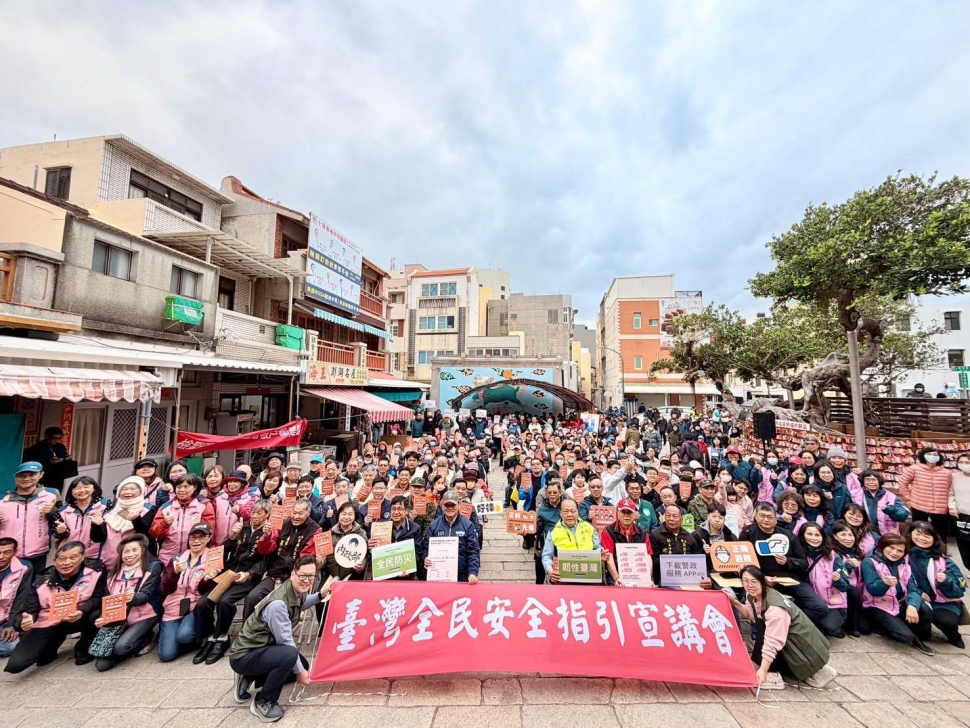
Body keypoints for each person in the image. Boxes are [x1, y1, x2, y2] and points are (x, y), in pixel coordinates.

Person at [228, 555, 331, 723]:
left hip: (261, 648)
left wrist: (320, 595)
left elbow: (302, 603)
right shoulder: (278, 605)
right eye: (303, 575)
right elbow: (286, 641)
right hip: (244, 655)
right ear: (293, 574)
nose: (307, 580)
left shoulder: (293, 590)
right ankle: (263, 701)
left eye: (311, 576)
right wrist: (300, 673)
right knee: (289, 656)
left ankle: (250, 675)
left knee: (301, 665)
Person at [723, 566, 837, 690]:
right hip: (795, 644)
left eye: (754, 581)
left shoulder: (775, 609)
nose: (749, 585)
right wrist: (734, 602)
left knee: (764, 630)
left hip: (801, 649)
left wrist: (763, 670)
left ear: (762, 581)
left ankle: (773, 673)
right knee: (762, 625)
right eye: (745, 581)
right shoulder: (755, 595)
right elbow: (752, 615)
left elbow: (772, 642)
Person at [4, 540, 107, 673]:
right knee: (16, 665)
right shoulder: (41, 580)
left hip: (77, 617)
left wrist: (82, 611)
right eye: (62, 559)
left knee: (97, 613)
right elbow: (28, 609)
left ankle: (84, 645)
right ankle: (51, 645)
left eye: (73, 557)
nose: (67, 563)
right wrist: (23, 622)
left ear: (82, 557)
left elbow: (97, 597)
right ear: (54, 560)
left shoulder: (96, 572)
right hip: (48, 622)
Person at [193, 500, 272, 665]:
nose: (255, 516)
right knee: (203, 603)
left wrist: (249, 574)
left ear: (267, 515)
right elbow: (223, 550)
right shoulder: (241, 527)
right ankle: (209, 638)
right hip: (227, 572)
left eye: (259, 513)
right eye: (253, 512)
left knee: (225, 602)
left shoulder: (268, 532)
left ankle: (222, 638)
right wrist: (231, 537)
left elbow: (266, 560)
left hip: (247, 576)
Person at [739, 503, 828, 623]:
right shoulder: (748, 533)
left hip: (788, 579)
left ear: (776, 519)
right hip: (761, 580)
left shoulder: (787, 535)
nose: (766, 519)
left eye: (770, 517)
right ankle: (762, 630)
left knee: (819, 608)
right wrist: (762, 578)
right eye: (762, 516)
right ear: (756, 516)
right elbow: (744, 563)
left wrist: (788, 561)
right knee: (760, 603)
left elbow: (803, 563)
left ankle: (791, 626)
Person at [90, 533, 162, 671]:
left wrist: (133, 598)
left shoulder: (153, 567)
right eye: (126, 551)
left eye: (135, 550)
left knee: (121, 648)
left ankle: (145, 638)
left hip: (145, 615)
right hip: (120, 618)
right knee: (101, 665)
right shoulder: (112, 575)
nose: (130, 554)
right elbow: (108, 602)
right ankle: (127, 644)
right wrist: (104, 618)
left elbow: (145, 596)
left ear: (143, 550)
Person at [861, 533, 934, 655]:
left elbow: (913, 588)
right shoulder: (870, 562)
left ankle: (911, 630)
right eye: (891, 548)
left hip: (899, 602)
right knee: (905, 637)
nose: (895, 553)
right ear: (882, 546)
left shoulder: (904, 564)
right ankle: (885, 627)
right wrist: (884, 583)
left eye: (900, 550)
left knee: (925, 610)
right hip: (877, 605)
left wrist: (912, 606)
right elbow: (872, 590)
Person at [244, 499, 320, 617]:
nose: (295, 516)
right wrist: (267, 537)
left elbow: (305, 558)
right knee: (253, 597)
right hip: (274, 574)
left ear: (308, 513)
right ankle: (247, 632)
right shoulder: (282, 523)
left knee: (279, 604)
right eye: (294, 512)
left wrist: (294, 578)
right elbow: (265, 550)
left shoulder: (315, 530)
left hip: (294, 578)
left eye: (300, 513)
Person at [158, 522, 217, 662]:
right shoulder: (177, 559)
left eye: (201, 537)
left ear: (208, 538)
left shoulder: (212, 558)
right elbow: (164, 589)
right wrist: (175, 573)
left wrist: (207, 578)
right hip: (172, 608)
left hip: (194, 607)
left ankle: (198, 634)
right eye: (193, 537)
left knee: (184, 636)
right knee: (166, 655)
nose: (196, 541)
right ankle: (184, 638)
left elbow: (207, 591)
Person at [906, 521, 967, 649]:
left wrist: (947, 582)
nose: (921, 538)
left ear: (934, 539)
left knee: (947, 621)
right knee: (921, 630)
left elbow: (960, 590)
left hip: (943, 602)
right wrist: (917, 593)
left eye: (927, 536)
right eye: (917, 534)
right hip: (915, 598)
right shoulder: (903, 554)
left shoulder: (945, 561)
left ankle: (954, 636)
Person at [0, 461, 61, 574]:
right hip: (9, 553)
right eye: (21, 476)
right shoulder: (3, 499)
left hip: (38, 552)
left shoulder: (51, 494)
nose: (26, 479)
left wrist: (53, 512)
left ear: (41, 475)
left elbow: (61, 521)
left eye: (32, 475)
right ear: (15, 477)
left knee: (35, 586)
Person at [91, 476, 155, 572]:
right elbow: (98, 538)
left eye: (132, 489)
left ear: (141, 491)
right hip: (109, 562)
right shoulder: (109, 513)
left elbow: (147, 535)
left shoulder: (148, 509)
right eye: (124, 489)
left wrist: (136, 519)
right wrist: (96, 526)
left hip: (137, 563)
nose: (128, 492)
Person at [150, 474, 216, 565]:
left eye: (186, 487)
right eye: (178, 487)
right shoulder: (166, 507)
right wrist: (165, 524)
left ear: (195, 487)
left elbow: (209, 533)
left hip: (193, 557)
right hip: (168, 557)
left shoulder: (204, 505)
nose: (181, 490)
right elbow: (154, 533)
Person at [798, 523, 849, 637]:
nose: (814, 538)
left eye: (817, 535)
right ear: (802, 535)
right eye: (810, 534)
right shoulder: (800, 553)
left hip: (834, 603)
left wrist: (838, 580)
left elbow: (846, 586)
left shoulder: (833, 555)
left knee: (827, 626)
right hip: (814, 602)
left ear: (823, 537)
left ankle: (837, 625)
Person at [542, 498, 605, 583]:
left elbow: (598, 547)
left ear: (577, 512)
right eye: (566, 511)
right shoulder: (554, 531)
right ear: (560, 513)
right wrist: (550, 571)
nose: (570, 514)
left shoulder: (589, 528)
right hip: (564, 576)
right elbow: (546, 556)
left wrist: (601, 554)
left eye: (573, 511)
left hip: (589, 573)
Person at [424, 491, 480, 583]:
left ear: (458, 505)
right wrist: (425, 558)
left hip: (462, 574)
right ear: (442, 506)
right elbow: (426, 548)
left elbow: (473, 550)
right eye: (447, 505)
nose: (450, 508)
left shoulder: (468, 525)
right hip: (438, 574)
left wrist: (472, 572)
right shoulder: (434, 525)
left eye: (453, 505)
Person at [898, 446, 954, 540]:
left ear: (939, 457)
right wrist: (908, 498)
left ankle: (940, 553)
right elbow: (902, 483)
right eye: (929, 454)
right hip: (919, 505)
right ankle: (918, 551)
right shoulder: (914, 469)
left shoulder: (946, 473)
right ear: (923, 456)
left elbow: (950, 489)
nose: (932, 456)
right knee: (919, 530)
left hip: (940, 508)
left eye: (935, 454)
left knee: (940, 533)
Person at [649, 505, 707, 587]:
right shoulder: (655, 535)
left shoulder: (689, 537)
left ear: (681, 519)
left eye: (675, 516)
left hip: (688, 577)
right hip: (664, 578)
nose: (671, 519)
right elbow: (654, 560)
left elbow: (697, 560)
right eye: (668, 516)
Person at [54, 476, 109, 560]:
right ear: (71, 492)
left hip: (95, 554)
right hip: (69, 554)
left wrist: (99, 524)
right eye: (77, 488)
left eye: (86, 487)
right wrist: (61, 531)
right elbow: (56, 533)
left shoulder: (104, 505)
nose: (82, 490)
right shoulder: (63, 510)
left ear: (94, 488)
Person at [599, 499, 652, 586]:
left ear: (635, 514)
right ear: (617, 513)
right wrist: (616, 577)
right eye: (623, 512)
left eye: (629, 512)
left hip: (638, 574)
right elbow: (609, 556)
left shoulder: (642, 532)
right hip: (616, 573)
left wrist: (647, 578)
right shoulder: (609, 530)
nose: (626, 515)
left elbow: (647, 556)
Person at [0, 537, 32, 659]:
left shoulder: (24, 567)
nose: (1, 556)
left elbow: (22, 598)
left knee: (11, 647)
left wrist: (12, 624)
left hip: (6, 618)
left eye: (7, 552)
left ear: (15, 552)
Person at [853, 470, 908, 538]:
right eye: (867, 479)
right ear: (863, 481)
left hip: (887, 535)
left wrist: (889, 510)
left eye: (874, 479)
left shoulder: (891, 496)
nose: (871, 482)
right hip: (864, 534)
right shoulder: (854, 495)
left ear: (879, 481)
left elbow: (902, 516)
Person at [322, 501, 368, 580]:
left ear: (355, 516)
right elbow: (323, 559)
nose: (346, 517)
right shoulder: (329, 533)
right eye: (343, 514)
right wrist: (320, 560)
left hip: (352, 578)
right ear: (338, 515)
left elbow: (366, 555)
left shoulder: (361, 533)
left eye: (350, 514)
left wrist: (361, 565)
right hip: (331, 578)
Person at [950, 453, 970, 572]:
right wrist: (952, 507)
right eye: (961, 462)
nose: (964, 465)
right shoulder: (954, 477)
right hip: (960, 515)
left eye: (967, 462)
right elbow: (950, 493)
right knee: (963, 545)